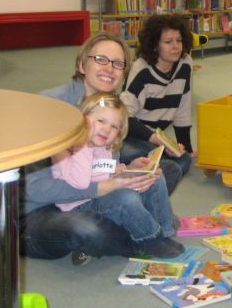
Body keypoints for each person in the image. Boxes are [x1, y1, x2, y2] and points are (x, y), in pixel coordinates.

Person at [24, 32, 156, 264]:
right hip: (39, 211)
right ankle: (144, 235)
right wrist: (101, 188)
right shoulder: (50, 107)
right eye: (100, 59)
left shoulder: (109, 108)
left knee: (162, 171)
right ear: (81, 65)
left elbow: (102, 165)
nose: (110, 69)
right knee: (87, 228)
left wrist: (124, 172)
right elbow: (35, 190)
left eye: (118, 64)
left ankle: (127, 228)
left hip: (85, 196)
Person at [51, 92, 183, 259]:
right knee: (125, 198)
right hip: (80, 204)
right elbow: (82, 183)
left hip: (104, 192)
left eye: (114, 127)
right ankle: (151, 241)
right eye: (101, 121)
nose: (107, 129)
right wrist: (83, 143)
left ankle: (164, 231)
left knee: (155, 178)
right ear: (83, 121)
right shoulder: (76, 148)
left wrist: (129, 170)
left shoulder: (106, 146)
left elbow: (105, 172)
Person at [121, 13, 195, 194]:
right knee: (138, 156)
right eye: (168, 42)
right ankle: (151, 171)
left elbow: (183, 109)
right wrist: (158, 140)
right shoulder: (141, 68)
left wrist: (185, 147)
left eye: (179, 40)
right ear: (155, 45)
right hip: (135, 136)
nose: (176, 46)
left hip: (159, 141)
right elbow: (124, 118)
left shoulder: (185, 64)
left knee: (184, 159)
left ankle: (154, 170)